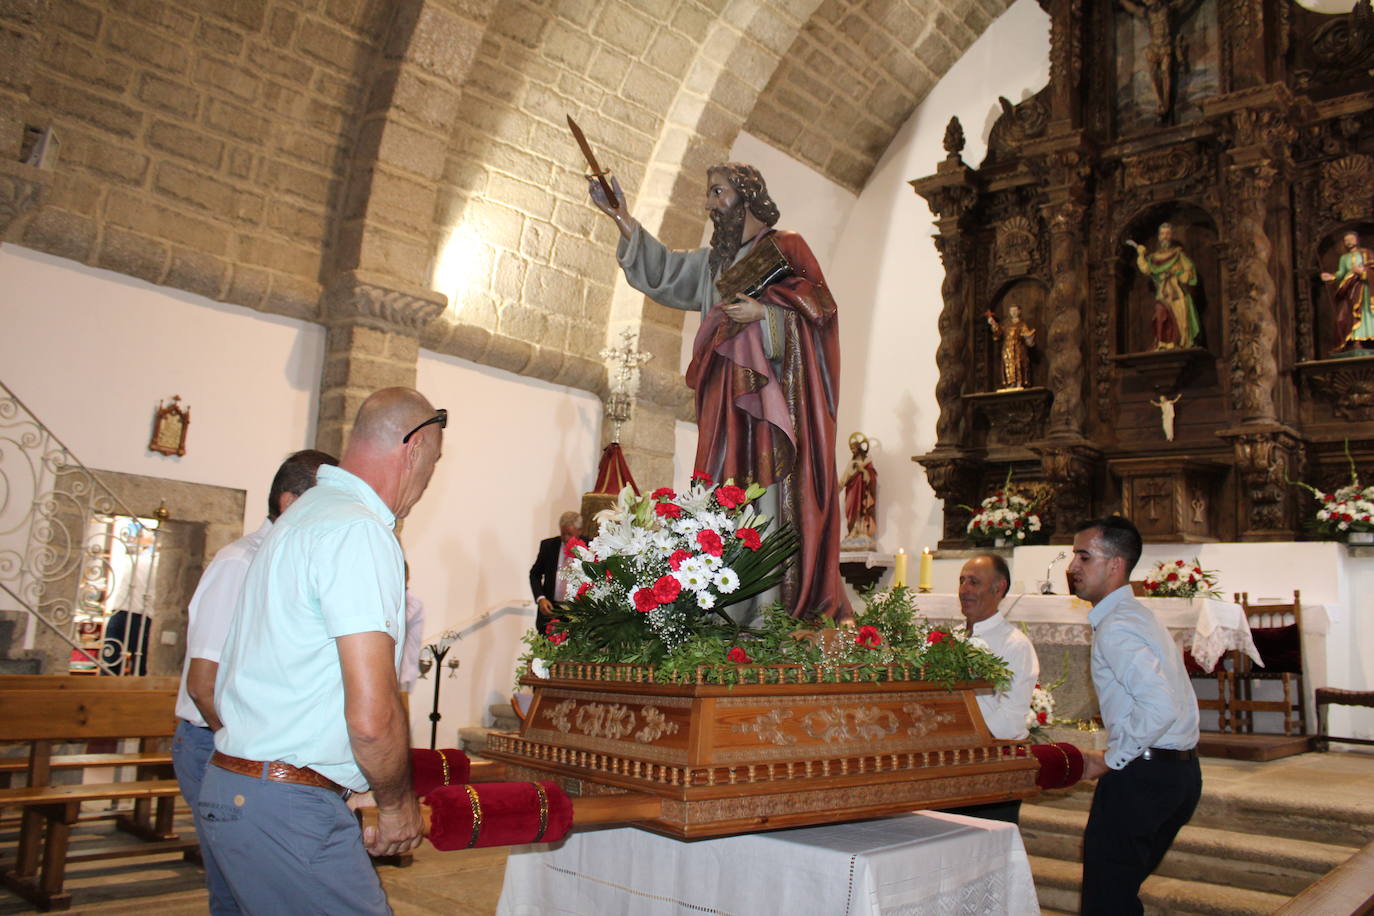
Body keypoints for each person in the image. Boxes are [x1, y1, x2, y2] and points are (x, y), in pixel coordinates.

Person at [201, 388, 445, 915]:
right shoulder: (358, 530)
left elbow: (294, 676)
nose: (428, 483)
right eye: (435, 463)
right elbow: (372, 715)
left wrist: (348, 783)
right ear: (416, 448)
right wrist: (397, 805)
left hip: (236, 784)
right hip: (285, 806)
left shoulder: (303, 516)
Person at [589, 163, 850, 620]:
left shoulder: (786, 247)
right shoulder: (717, 262)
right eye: (709, 194)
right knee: (723, 493)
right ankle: (724, 606)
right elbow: (666, 271)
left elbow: (821, 315)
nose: (709, 204)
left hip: (771, 407)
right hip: (722, 405)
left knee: (766, 494)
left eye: (717, 192)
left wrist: (766, 317)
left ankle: (768, 610)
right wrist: (620, 217)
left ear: (747, 196)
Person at [171, 448, 336, 915]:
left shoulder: (286, 564)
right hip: (217, 746)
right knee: (236, 887)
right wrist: (250, 748)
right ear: (289, 502)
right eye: (326, 503)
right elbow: (204, 684)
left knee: (259, 886)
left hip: (252, 750)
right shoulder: (240, 564)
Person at [1066, 516, 1201, 915]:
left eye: (1083, 556)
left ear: (1115, 565)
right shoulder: (1137, 616)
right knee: (1118, 898)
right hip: (1175, 774)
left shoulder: (1118, 626)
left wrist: (1110, 758)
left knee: (1106, 904)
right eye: (1074, 555)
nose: (1072, 567)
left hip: (1144, 779)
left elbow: (1160, 705)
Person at [943, 553, 1040, 824]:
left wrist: (963, 742)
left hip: (993, 768)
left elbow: (1010, 719)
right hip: (950, 764)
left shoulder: (1014, 644)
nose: (964, 590)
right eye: (962, 581)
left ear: (998, 589)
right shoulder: (950, 639)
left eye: (973, 582)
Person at [1126, 222, 1200, 350]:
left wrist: (1177, 273)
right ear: (1159, 237)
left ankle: (1180, 342)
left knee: (1181, 320)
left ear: (1171, 236)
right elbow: (1146, 269)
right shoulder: (1154, 258)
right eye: (1162, 234)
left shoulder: (1178, 255)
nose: (1165, 236)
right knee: (1160, 314)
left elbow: (1189, 272)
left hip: (1177, 294)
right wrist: (1141, 254)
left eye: (1168, 233)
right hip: (1163, 293)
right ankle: (1163, 343)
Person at [1320, 229, 1374, 353]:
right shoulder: (1344, 258)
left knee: (1368, 312)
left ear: (1357, 240)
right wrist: (1331, 277)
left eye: (1351, 239)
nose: (1349, 242)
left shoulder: (1366, 253)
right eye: (1346, 240)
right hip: (1351, 288)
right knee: (1352, 313)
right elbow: (1341, 273)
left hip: (1366, 287)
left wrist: (1363, 272)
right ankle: (1356, 340)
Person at [529, 510, 581, 635]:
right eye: (563, 534)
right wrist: (541, 598)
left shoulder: (589, 546)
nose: (566, 538)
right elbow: (534, 574)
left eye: (570, 534)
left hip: (576, 613)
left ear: (580, 531)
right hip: (550, 611)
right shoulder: (548, 546)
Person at [838, 432, 877, 550]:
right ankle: (852, 532)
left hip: (862, 495)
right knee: (851, 509)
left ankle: (861, 531)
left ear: (859, 448)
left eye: (854, 448)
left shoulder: (867, 464)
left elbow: (871, 479)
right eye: (851, 449)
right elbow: (844, 479)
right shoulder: (851, 464)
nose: (853, 450)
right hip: (852, 492)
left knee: (861, 511)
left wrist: (863, 471)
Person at [986, 303, 1036, 390]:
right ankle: (1010, 383)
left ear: (1019, 311)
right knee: (1008, 365)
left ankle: (1019, 382)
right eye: (1011, 310)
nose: (1013, 312)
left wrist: (1030, 337)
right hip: (1007, 348)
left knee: (1019, 364)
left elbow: (1026, 335)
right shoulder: (1006, 324)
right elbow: (998, 334)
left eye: (1015, 310)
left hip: (1018, 347)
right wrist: (994, 324)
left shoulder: (1022, 324)